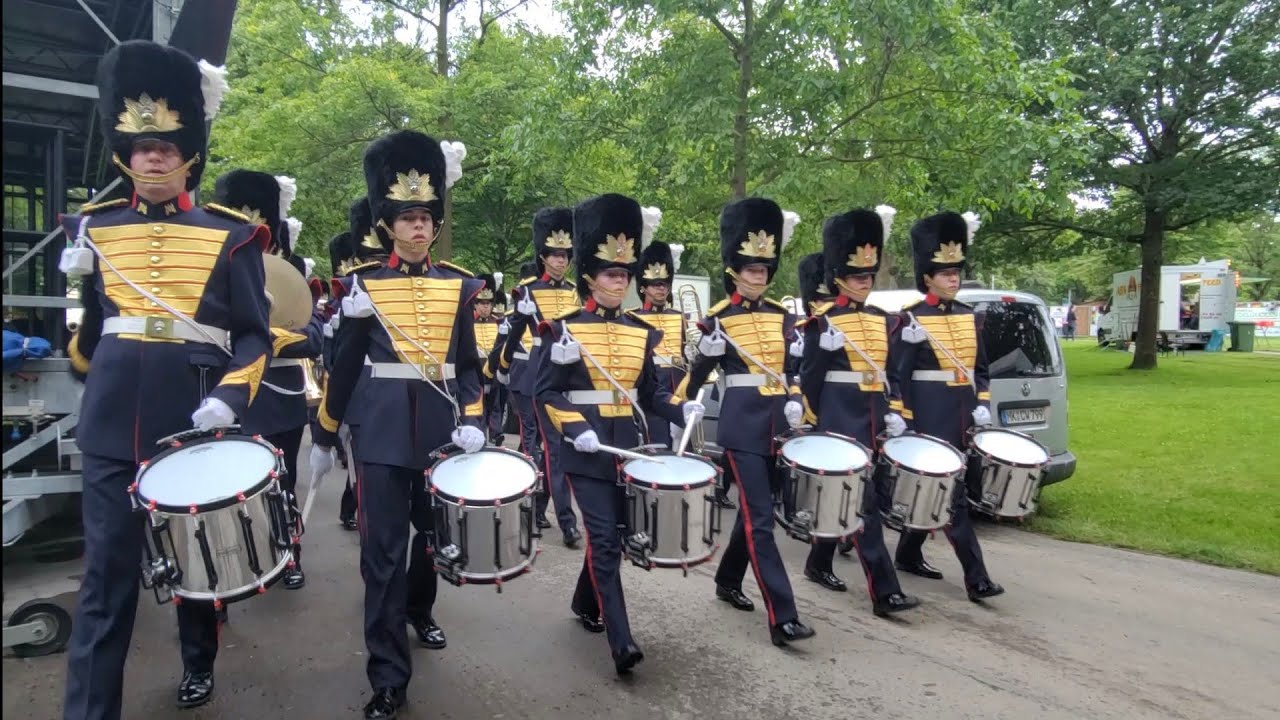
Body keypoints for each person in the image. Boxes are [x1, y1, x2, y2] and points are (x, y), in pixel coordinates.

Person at [60, 40, 270, 716]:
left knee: (196, 565)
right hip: (112, 424)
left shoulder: (231, 236)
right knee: (104, 584)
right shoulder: (89, 232)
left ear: (189, 151)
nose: (155, 154)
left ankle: (198, 662)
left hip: (191, 419)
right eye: (143, 142)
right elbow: (86, 344)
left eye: (168, 143)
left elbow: (255, 336)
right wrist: (78, 317)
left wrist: (230, 397)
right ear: (125, 148)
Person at [309, 130, 487, 720]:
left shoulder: (459, 286)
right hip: (381, 436)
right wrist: (326, 429)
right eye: (405, 216)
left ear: (435, 224)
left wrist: (473, 418)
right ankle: (388, 675)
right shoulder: (363, 285)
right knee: (380, 558)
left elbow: (467, 366)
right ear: (387, 224)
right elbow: (346, 363)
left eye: (425, 217)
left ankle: (421, 609)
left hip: (439, 437)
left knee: (436, 542)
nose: (416, 226)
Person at [533, 193, 701, 674]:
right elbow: (547, 394)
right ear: (590, 275)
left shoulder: (641, 331)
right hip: (586, 450)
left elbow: (651, 396)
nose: (619, 282)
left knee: (618, 536)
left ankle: (585, 603)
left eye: (624, 275)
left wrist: (681, 407)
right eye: (611, 274)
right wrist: (577, 428)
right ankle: (622, 642)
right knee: (605, 540)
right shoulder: (561, 331)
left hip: (628, 449)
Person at [677, 198, 816, 647]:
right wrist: (703, 363)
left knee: (755, 514)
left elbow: (793, 372)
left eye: (764, 269)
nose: (759, 275)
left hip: (778, 425)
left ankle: (727, 579)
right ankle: (784, 616)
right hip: (740, 427)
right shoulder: (718, 318)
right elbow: (696, 378)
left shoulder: (782, 315)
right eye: (751, 268)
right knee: (761, 520)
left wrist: (797, 398)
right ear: (735, 270)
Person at [796, 209, 921, 617]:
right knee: (864, 506)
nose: (864, 283)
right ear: (839, 279)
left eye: (868, 277)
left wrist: (893, 409)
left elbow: (891, 374)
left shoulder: (886, 321)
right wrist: (812, 422)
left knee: (852, 501)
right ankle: (885, 592)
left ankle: (818, 561)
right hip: (838, 420)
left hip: (872, 418)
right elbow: (808, 381)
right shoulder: (823, 323)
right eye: (856, 277)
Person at [214, 170, 325, 589]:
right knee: (226, 488)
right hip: (222, 393)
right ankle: (226, 571)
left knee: (282, 482)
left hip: (279, 394)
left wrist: (268, 339)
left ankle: (286, 554)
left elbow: (313, 337)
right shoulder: (213, 258)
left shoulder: (292, 270)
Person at [890, 211, 1005, 603]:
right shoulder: (911, 318)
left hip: (962, 416)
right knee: (953, 497)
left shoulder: (969, 317)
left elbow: (982, 369)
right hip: (928, 416)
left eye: (956, 272)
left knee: (939, 491)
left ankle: (906, 553)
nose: (954, 278)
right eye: (945, 273)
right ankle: (977, 578)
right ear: (928, 278)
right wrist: (902, 418)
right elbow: (899, 375)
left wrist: (983, 403)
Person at [497, 209, 583, 547]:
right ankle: (567, 522)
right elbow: (515, 333)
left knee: (563, 450)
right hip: (541, 373)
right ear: (543, 257)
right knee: (552, 449)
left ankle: (536, 506)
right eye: (554, 255)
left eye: (565, 255)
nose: (561, 261)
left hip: (573, 376)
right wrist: (501, 367)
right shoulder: (528, 292)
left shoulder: (577, 291)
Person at [330, 197, 389, 532]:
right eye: (371, 259)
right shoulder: (351, 296)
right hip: (360, 397)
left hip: (392, 400)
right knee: (362, 472)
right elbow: (338, 359)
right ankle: (353, 511)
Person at [629, 236, 687, 447]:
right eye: (655, 285)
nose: (661, 289)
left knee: (683, 445)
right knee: (658, 440)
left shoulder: (679, 316)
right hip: (652, 382)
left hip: (679, 382)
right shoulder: (633, 317)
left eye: (664, 284)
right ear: (644, 287)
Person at [472, 272, 507, 443]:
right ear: (475, 305)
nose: (485, 307)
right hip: (476, 366)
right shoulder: (469, 322)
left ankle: (495, 432)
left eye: (488, 304)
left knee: (495, 402)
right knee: (478, 402)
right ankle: (479, 432)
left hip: (493, 366)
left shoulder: (498, 323)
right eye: (481, 303)